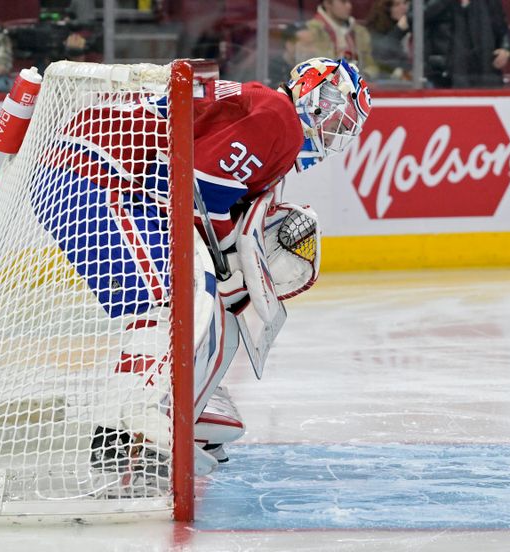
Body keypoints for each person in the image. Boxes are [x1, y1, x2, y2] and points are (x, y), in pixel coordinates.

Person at [28, 57, 371, 483]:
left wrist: (230, 261)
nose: (339, 129)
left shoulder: (269, 117)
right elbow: (199, 189)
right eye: (339, 111)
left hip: (89, 173)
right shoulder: (278, 119)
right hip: (94, 174)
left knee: (172, 301)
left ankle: (167, 406)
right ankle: (133, 427)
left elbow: (195, 189)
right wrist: (230, 263)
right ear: (314, 97)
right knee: (173, 303)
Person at [423, 0, 510, 88]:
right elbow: (415, 18)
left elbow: (502, 29)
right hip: (444, 76)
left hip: (484, 75)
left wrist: (505, 49)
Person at [305, 0, 380, 80]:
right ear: (327, 3)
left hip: (358, 86)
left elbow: (372, 65)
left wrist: (365, 75)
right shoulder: (310, 31)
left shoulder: (359, 31)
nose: (349, 6)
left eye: (350, 2)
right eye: (343, 2)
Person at [365, 0, 412, 82]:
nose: (403, 8)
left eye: (405, 3)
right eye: (397, 5)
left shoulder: (412, 28)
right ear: (386, 9)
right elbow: (381, 55)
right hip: (386, 81)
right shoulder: (375, 30)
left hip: (411, 80)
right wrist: (398, 31)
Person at [268, 21, 317, 87]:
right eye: (307, 45)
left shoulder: (314, 67)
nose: (313, 50)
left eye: (313, 44)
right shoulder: (272, 70)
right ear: (290, 45)